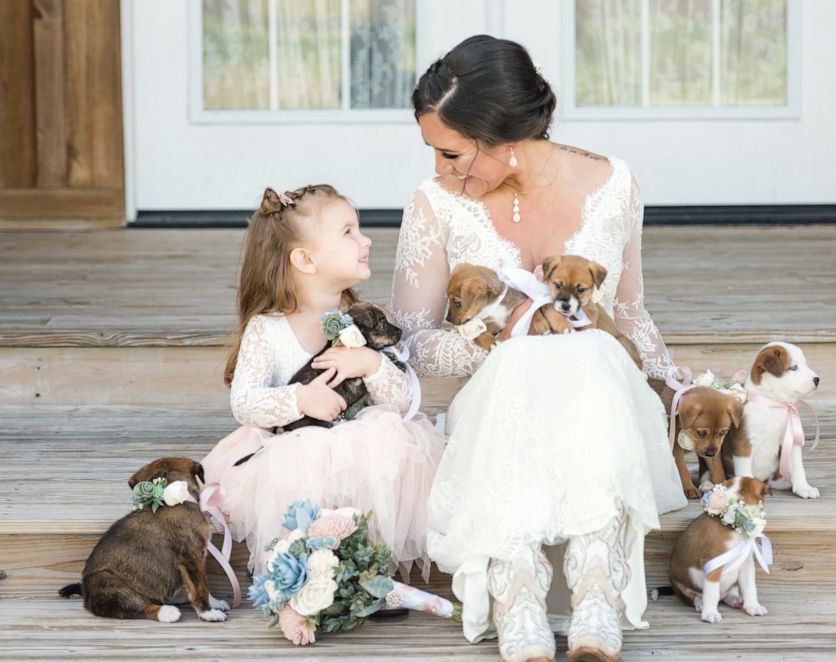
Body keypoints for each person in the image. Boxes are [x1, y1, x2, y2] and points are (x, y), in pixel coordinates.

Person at [391, 35, 687, 662]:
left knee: (589, 353)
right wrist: (505, 331)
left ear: (504, 137)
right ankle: (517, 589)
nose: (441, 170)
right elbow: (410, 346)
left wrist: (676, 387)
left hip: (599, 403)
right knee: (537, 358)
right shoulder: (434, 204)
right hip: (498, 409)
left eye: (451, 154)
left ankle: (596, 589)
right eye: (434, 154)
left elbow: (629, 313)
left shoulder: (613, 186)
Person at [202, 184, 444, 582]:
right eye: (348, 232)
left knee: (392, 449)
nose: (365, 239)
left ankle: (369, 572)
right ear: (305, 259)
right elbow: (244, 403)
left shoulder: (363, 319)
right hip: (291, 453)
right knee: (302, 478)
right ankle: (314, 574)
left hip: (365, 450)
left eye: (359, 229)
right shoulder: (268, 330)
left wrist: (370, 364)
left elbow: (401, 404)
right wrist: (301, 398)